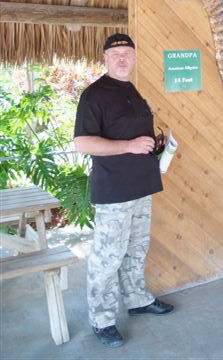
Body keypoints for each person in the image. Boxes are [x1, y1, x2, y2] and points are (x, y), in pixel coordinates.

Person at [74, 33, 174, 348]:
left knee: (136, 248)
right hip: (114, 191)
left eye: (128, 53)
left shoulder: (132, 90)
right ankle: (102, 319)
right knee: (107, 257)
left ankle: (137, 300)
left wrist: (155, 144)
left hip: (142, 185)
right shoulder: (94, 95)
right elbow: (82, 143)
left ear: (134, 58)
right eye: (116, 53)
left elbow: (132, 134)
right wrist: (129, 145)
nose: (122, 58)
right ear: (105, 58)